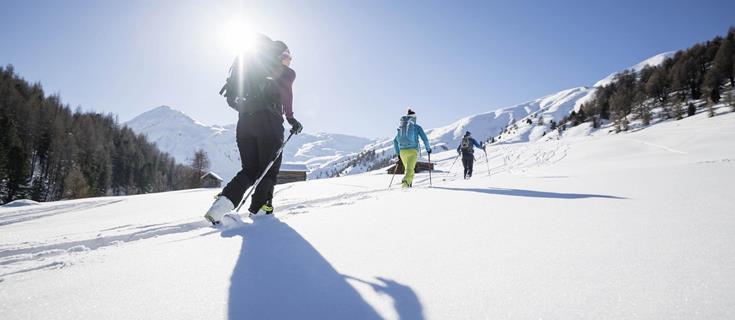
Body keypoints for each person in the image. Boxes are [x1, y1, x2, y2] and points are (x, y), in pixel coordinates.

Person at [205, 35, 303, 225]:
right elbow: (287, 98)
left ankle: (219, 207)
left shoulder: (250, 69)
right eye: (287, 57)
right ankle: (261, 210)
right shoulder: (286, 73)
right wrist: (291, 119)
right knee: (269, 169)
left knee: (249, 170)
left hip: (244, 124)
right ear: (278, 55)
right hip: (269, 123)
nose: (288, 62)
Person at [393, 108, 431, 188]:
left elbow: (395, 141)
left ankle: (409, 185)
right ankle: (405, 185)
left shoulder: (402, 127)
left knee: (407, 169)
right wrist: (428, 149)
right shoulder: (417, 127)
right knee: (410, 170)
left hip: (402, 151)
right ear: (414, 118)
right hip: (412, 151)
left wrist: (398, 153)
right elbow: (424, 139)